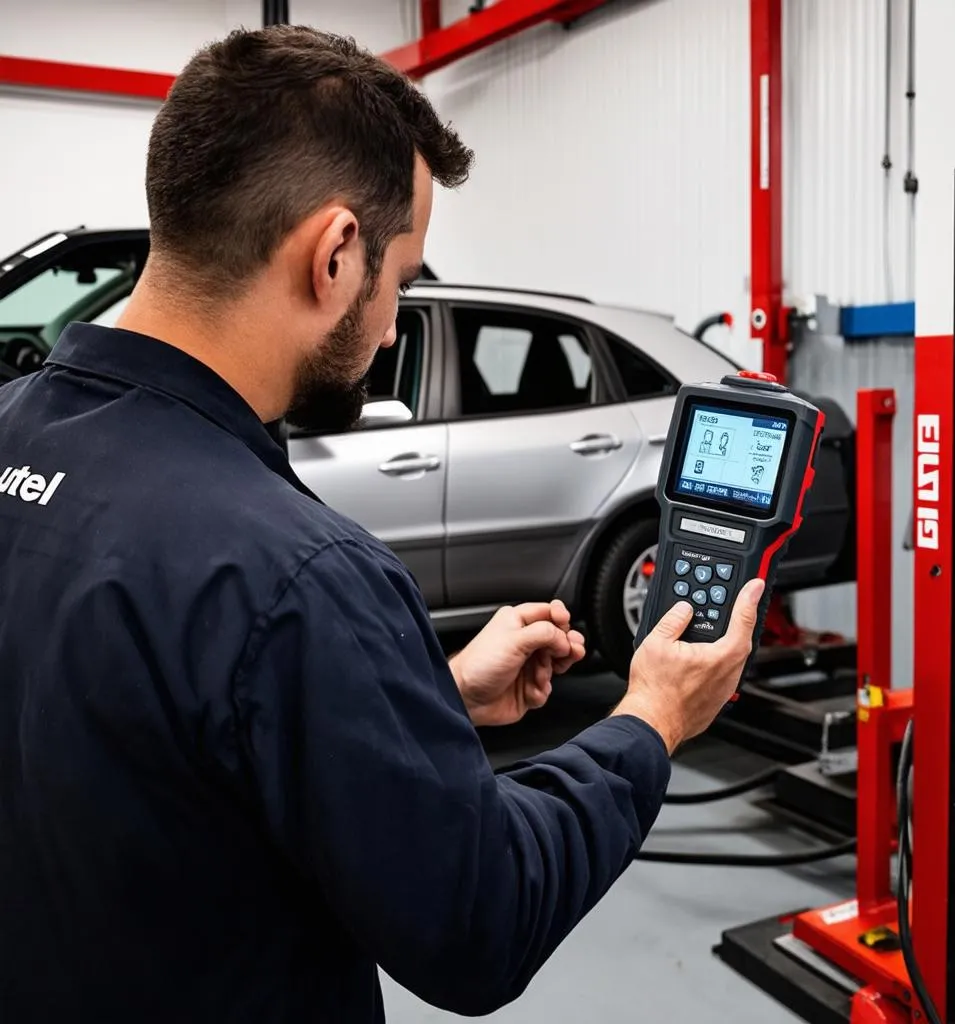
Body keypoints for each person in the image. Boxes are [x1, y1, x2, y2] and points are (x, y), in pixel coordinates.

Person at [0, 25, 763, 1024]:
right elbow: (478, 917)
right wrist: (650, 719)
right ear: (335, 253)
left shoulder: (18, 432)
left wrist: (418, 695)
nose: (397, 321)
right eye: (401, 279)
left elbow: (142, 731)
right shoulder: (297, 575)